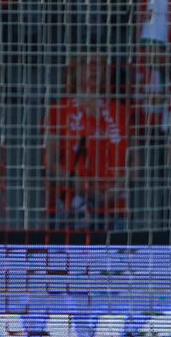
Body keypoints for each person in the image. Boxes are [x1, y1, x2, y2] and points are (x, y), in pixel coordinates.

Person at [44, 52, 129, 232]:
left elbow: (135, 162)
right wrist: (76, 185)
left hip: (115, 209)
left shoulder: (121, 112)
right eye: (85, 63)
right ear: (74, 70)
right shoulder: (58, 110)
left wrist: (115, 190)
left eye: (98, 63)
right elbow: (49, 163)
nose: (92, 69)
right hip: (71, 208)